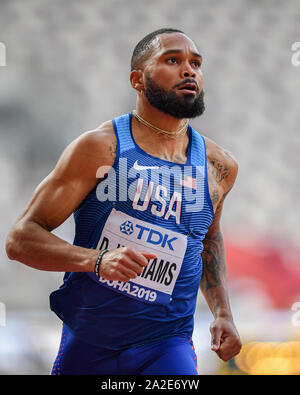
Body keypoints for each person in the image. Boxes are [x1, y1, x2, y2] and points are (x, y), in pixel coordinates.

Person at [5, 28, 242, 375]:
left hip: (167, 343)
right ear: (137, 79)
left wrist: (223, 313)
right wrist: (97, 260)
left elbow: (207, 239)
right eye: (172, 60)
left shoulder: (218, 166)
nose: (189, 70)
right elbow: (20, 239)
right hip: (91, 340)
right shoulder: (99, 148)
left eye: (196, 63)